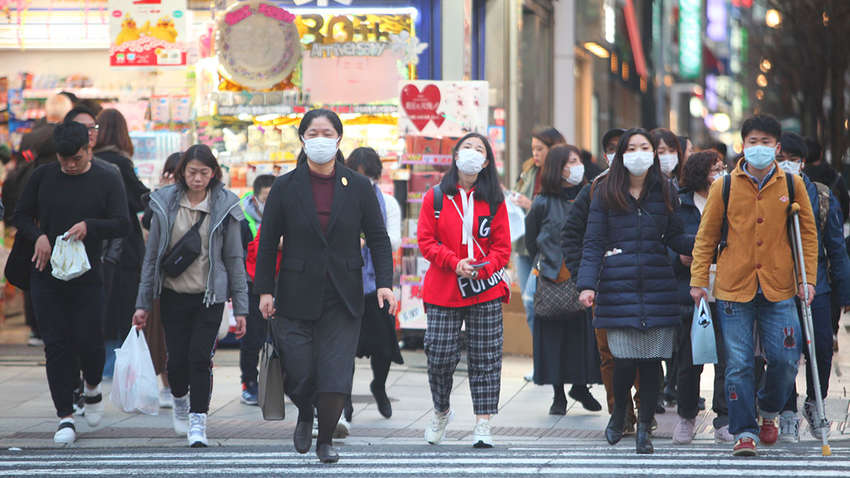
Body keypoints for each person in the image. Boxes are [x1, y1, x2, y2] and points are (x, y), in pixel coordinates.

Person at [254, 109, 395, 464]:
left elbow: (378, 238)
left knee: (335, 372)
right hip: (295, 292)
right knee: (299, 369)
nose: (320, 140)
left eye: (327, 133)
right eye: (313, 133)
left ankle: (326, 439)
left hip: (343, 294)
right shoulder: (285, 186)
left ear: (339, 139)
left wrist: (385, 284)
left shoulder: (358, 186)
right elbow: (267, 241)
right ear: (302, 139)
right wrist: (265, 290)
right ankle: (305, 411)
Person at [689, 114, 817, 457]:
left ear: (777, 147)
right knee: (739, 364)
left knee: (786, 360)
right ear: (743, 145)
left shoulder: (792, 184)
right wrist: (698, 280)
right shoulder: (724, 186)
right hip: (734, 287)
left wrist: (808, 279)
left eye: (766, 142)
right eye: (753, 142)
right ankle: (744, 431)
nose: (759, 148)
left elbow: (807, 235)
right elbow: (706, 236)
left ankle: (769, 408)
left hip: (780, 285)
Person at [577, 128, 693, 455]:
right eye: (631, 148)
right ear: (621, 155)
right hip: (618, 286)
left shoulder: (666, 190)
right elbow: (593, 242)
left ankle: (644, 428)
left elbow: (676, 236)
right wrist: (587, 285)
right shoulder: (605, 191)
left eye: (644, 147)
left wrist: (706, 244)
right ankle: (619, 414)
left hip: (657, 286)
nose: (638, 154)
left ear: (653, 154)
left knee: (652, 362)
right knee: (624, 360)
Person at [14, 121, 129, 444]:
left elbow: (122, 224)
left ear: (88, 149)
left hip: (87, 275)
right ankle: (65, 415)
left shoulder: (107, 178)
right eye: (64, 160)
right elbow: (20, 215)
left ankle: (92, 386)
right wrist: (38, 236)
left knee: (90, 341)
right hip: (46, 273)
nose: (70, 165)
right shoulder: (42, 176)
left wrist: (89, 226)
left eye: (76, 159)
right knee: (56, 345)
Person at [132, 144, 249, 448]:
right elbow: (151, 258)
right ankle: (180, 400)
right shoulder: (164, 204)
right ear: (182, 172)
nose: (197, 178)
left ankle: (198, 420)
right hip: (173, 294)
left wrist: (241, 308)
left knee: (200, 358)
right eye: (192, 172)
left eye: (204, 173)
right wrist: (143, 304)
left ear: (214, 174)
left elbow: (235, 259)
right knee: (176, 361)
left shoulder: (225, 205)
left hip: (210, 297)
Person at [416, 132, 511, 449]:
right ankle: (441, 410)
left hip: (484, 289)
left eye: (479, 149)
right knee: (439, 354)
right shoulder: (435, 197)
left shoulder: (494, 199)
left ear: (486, 162)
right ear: (456, 156)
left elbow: (502, 248)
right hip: (444, 288)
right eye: (467, 147)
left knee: (486, 356)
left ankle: (483, 422)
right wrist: (454, 262)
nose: (472, 152)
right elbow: (426, 242)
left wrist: (484, 267)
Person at [562, 127, 648, 432]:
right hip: (604, 285)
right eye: (613, 148)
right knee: (609, 354)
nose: (621, 155)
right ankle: (620, 414)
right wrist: (583, 277)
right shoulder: (595, 189)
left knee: (644, 352)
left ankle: (644, 408)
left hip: (644, 285)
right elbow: (572, 236)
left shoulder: (654, 187)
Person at [775, 132, 850, 442]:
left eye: (792, 160)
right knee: (784, 351)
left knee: (821, 346)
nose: (786, 165)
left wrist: (844, 292)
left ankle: (815, 401)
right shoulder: (765, 194)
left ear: (803, 162)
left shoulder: (821, 196)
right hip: (778, 285)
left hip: (816, 283)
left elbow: (836, 247)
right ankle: (786, 410)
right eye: (781, 159)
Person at [525, 144, 601, 415]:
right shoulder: (542, 202)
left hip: (584, 278)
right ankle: (558, 395)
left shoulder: (591, 195)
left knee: (583, 338)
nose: (575, 167)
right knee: (554, 340)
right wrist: (546, 263)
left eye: (577, 161)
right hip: (553, 279)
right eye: (569, 162)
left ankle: (580, 387)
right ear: (557, 168)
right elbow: (531, 241)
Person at [668, 151, 734, 444]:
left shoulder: (731, 199)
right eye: (714, 169)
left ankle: (724, 418)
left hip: (726, 289)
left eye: (722, 168)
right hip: (690, 292)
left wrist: (708, 251)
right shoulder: (680, 203)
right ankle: (686, 416)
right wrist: (689, 253)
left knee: (726, 359)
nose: (720, 173)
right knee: (688, 360)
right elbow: (670, 240)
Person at [339, 147, 404, 432]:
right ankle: (344, 400)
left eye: (370, 177)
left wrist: (368, 236)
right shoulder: (342, 198)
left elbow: (393, 241)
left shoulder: (387, 203)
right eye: (359, 175)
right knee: (344, 347)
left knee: (383, 346)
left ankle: (379, 386)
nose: (365, 182)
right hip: (347, 283)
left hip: (378, 284)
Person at [3, 94, 74, 348]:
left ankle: (35, 327)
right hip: (57, 210)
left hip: (30, 210)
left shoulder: (30, 136)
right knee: (58, 268)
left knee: (33, 266)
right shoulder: (66, 137)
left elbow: (20, 166)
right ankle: (58, 325)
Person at [93, 108, 151, 378]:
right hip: (123, 244)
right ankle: (116, 365)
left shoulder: (90, 162)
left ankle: (100, 365)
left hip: (95, 240)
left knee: (100, 302)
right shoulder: (120, 163)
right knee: (123, 302)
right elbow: (140, 199)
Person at [511, 127, 566, 381]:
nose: (535, 154)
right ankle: (541, 362)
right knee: (530, 304)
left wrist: (530, 205)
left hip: (549, 250)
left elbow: (560, 211)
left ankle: (557, 361)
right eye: (533, 149)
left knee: (550, 305)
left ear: (553, 149)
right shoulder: (528, 170)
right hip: (524, 245)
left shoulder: (561, 174)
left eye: (540, 149)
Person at [140, 152, 184, 408]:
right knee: (161, 334)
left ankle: (183, 386)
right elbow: (148, 222)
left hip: (193, 278)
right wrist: (163, 192)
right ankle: (167, 386)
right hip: (163, 277)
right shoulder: (159, 199)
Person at [802, 136, 850, 352]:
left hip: (809, 260)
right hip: (827, 249)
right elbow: (846, 207)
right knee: (828, 294)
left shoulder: (800, 182)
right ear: (821, 154)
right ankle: (831, 332)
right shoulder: (835, 178)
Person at [650, 128, 684, 408]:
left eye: (671, 151)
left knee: (678, 334)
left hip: (680, 270)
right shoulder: (647, 187)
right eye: (661, 151)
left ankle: (675, 384)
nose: (667, 157)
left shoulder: (683, 185)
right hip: (657, 269)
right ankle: (659, 389)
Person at [237, 173, 275, 406]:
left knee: (278, 337)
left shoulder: (285, 217)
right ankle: (249, 382)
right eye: (267, 198)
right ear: (256, 198)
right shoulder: (243, 220)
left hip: (277, 284)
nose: (270, 203)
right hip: (251, 285)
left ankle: (277, 382)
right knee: (253, 337)